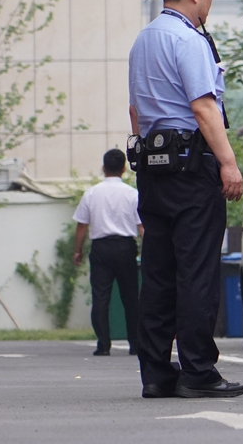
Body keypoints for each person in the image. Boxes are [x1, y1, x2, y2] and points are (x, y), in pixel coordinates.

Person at [128, 0, 243, 399]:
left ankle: (156, 373)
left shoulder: (143, 40)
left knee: (157, 274)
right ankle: (198, 370)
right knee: (196, 270)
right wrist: (228, 163)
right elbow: (203, 107)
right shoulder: (189, 39)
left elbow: (137, 113)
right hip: (192, 169)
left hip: (153, 171)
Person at [72, 149, 144, 357]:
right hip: (125, 247)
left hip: (100, 248)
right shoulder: (132, 194)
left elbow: (82, 226)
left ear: (103, 168)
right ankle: (135, 343)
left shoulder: (92, 193)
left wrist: (78, 250)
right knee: (130, 297)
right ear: (123, 168)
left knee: (101, 297)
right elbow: (141, 227)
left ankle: (103, 344)